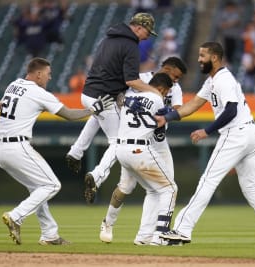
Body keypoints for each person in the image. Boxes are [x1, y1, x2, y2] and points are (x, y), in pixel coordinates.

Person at [155, 41, 255, 248]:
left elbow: (231, 110)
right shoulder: (212, 81)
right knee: (251, 187)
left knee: (208, 180)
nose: (199, 60)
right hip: (251, 133)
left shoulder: (223, 80)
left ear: (214, 58)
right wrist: (168, 117)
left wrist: (206, 131)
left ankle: (182, 230)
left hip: (236, 134)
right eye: (199, 55)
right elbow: (193, 105)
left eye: (203, 56)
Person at [0, 57, 112, 246]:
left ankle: (49, 234)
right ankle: (16, 216)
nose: (50, 78)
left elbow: (1, 107)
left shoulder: (13, 84)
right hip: (17, 147)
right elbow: (70, 115)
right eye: (48, 74)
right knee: (52, 185)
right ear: (38, 74)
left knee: (37, 188)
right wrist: (93, 109)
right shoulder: (38, 92)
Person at [66, 56, 187, 203]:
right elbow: (119, 95)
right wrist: (126, 101)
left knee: (153, 184)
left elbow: (177, 110)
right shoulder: (140, 78)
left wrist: (166, 111)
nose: (176, 81)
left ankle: (76, 152)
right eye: (175, 76)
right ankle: (93, 175)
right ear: (167, 69)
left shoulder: (175, 89)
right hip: (133, 131)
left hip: (155, 136)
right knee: (128, 182)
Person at [75, 12, 161, 204]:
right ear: (138, 27)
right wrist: (155, 91)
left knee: (97, 118)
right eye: (148, 31)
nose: (148, 36)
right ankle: (96, 176)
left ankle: (75, 152)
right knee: (119, 142)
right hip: (104, 96)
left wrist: (120, 92)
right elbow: (132, 80)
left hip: (88, 94)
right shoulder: (131, 45)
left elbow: (113, 72)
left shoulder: (108, 38)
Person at [100, 73, 178, 246]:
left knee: (153, 190)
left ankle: (144, 237)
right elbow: (159, 134)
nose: (164, 95)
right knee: (170, 188)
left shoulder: (130, 95)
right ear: (161, 89)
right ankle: (161, 235)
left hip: (121, 150)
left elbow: (119, 98)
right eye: (165, 92)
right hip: (139, 149)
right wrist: (167, 113)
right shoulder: (157, 98)